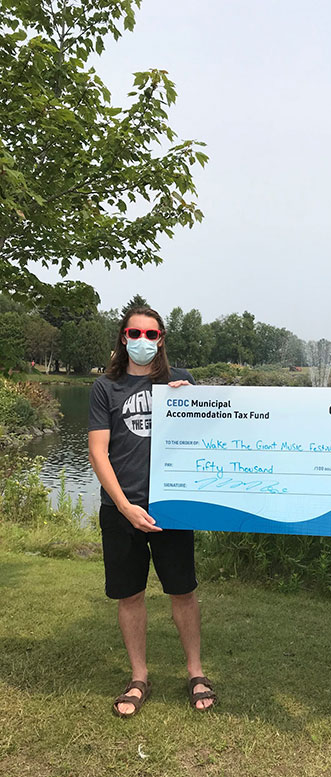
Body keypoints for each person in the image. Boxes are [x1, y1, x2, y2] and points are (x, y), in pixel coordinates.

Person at [88, 306, 216, 717]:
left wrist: (192, 404)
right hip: (121, 510)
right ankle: (138, 676)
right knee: (130, 595)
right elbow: (97, 452)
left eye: (151, 334)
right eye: (134, 332)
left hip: (171, 508)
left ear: (161, 339)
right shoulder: (105, 388)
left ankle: (196, 673)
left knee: (183, 591)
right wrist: (125, 507)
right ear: (122, 337)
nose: (142, 340)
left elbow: (209, 437)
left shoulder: (180, 381)